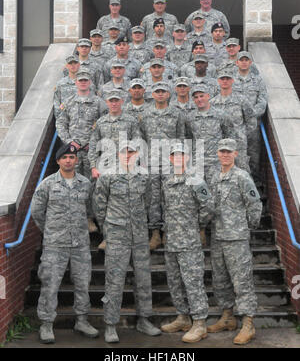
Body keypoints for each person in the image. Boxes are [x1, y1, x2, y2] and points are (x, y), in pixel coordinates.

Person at [92, 141, 161, 343]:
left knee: (143, 280)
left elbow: (147, 201)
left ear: (137, 153)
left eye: (132, 151)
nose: (128, 155)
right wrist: (108, 228)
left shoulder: (143, 176)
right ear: (118, 154)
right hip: (116, 236)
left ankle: (144, 320)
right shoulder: (108, 176)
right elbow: (99, 205)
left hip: (139, 235)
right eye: (124, 152)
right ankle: (111, 324)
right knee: (114, 281)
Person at [31, 143, 99, 344]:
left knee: (82, 284)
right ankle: (46, 324)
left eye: (72, 157)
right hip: (55, 245)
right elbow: (37, 212)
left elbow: (90, 210)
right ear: (58, 161)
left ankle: (82, 320)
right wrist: (50, 232)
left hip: (80, 244)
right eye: (65, 157)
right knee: (50, 284)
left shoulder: (85, 183)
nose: (69, 160)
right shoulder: (48, 184)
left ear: (76, 160)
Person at [208, 138, 262, 345]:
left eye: (229, 152)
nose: (225, 155)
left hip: (237, 237)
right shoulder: (214, 177)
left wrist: (248, 227)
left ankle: (248, 323)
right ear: (217, 154)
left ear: (236, 154)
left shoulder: (242, 176)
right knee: (220, 280)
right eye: (222, 151)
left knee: (242, 281)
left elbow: (254, 204)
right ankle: (227, 317)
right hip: (218, 237)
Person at [160, 142, 214, 343]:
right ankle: (183, 317)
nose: (178, 158)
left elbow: (208, 207)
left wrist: (195, 225)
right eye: (175, 155)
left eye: (182, 155)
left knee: (193, 283)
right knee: (175, 282)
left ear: (188, 157)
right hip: (172, 241)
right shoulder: (167, 181)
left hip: (190, 242)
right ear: (171, 158)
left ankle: (199, 323)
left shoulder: (195, 180)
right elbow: (165, 207)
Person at [55, 68, 107, 233]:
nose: (83, 82)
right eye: (80, 80)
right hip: (73, 152)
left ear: (90, 82)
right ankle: (77, 219)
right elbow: (61, 124)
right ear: (76, 82)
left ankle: (91, 219)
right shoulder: (69, 102)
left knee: (93, 186)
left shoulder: (99, 102)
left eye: (86, 80)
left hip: (93, 152)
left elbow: (104, 125)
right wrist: (70, 142)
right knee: (73, 184)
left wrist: (95, 143)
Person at [140, 82, 185, 250]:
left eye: (163, 91)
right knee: (153, 198)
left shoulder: (177, 114)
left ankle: (169, 232)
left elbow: (181, 137)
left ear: (168, 94)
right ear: (152, 94)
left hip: (171, 163)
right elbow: (142, 139)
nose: (160, 94)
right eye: (157, 91)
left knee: (170, 198)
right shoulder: (145, 114)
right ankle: (155, 233)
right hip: (152, 162)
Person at [210, 70, 257, 173]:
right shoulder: (212, 103)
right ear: (218, 81)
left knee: (242, 170)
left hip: (238, 144)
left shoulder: (241, 100)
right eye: (222, 79)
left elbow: (252, 120)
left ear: (232, 81)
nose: (225, 81)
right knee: (221, 171)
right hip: (220, 144)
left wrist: (242, 134)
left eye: (228, 79)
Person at [233, 51, 268, 183]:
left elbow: (262, 100)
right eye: (241, 60)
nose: (243, 62)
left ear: (250, 62)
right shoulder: (230, 80)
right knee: (236, 154)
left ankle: (255, 183)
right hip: (236, 125)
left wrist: (251, 113)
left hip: (253, 124)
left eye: (246, 60)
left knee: (254, 154)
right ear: (237, 62)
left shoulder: (258, 80)